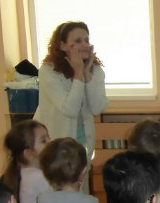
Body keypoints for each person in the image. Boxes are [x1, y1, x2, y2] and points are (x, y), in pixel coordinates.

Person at [34, 21, 109, 160]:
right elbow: (70, 110)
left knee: (81, 173)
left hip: (83, 138)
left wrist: (87, 75)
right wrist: (78, 75)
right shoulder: (49, 71)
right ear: (62, 45)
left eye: (86, 40)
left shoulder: (96, 70)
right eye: (78, 41)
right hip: (54, 142)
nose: (85, 45)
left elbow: (97, 108)